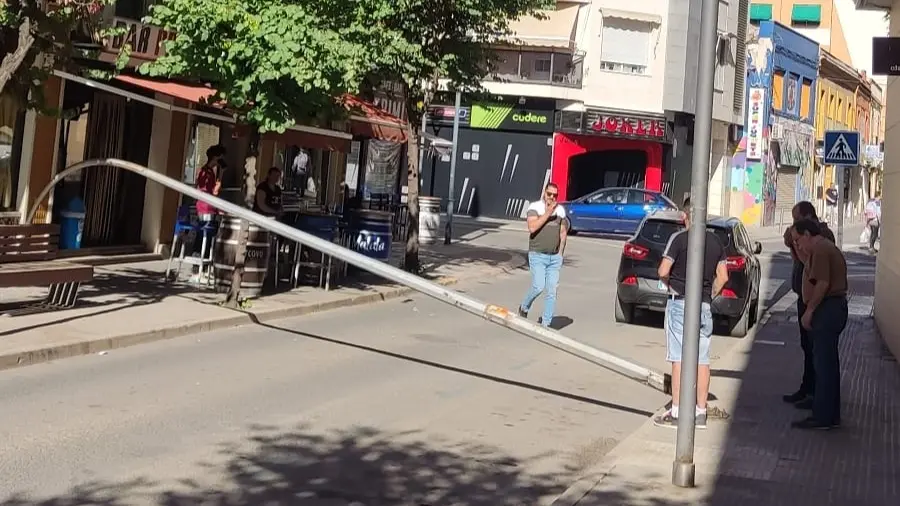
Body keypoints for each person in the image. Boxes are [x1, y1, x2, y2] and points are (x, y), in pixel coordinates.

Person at [653, 202, 729, 429]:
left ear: (686, 217)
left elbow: (663, 271)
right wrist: (709, 295)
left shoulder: (679, 239)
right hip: (704, 305)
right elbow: (723, 277)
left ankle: (676, 411)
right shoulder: (716, 242)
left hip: (680, 303)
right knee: (702, 359)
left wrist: (672, 287)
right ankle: (701, 412)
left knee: (679, 358)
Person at [790, 219, 848, 430]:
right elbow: (810, 273)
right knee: (827, 364)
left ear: (807, 234)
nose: (797, 245)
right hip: (831, 308)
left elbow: (822, 283)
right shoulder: (820, 250)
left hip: (827, 309)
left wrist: (810, 311)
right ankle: (829, 414)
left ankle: (823, 416)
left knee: (824, 365)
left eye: (798, 240)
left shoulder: (822, 250)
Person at [781, 202, 835, 408]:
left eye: (796, 219)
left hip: (816, 301)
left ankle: (816, 395)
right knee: (807, 347)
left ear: (806, 218)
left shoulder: (821, 237)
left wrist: (795, 244)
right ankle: (807, 388)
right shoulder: (803, 238)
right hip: (804, 298)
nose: (793, 223)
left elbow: (811, 267)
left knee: (816, 350)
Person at [518, 183, 568, 328]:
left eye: (555, 195)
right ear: (544, 193)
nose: (552, 198)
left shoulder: (560, 211)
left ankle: (546, 324)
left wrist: (560, 255)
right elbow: (532, 228)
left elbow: (563, 233)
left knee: (552, 290)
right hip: (537, 255)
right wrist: (547, 212)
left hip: (554, 258)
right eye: (549, 194)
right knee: (538, 286)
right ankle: (524, 307)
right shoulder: (535, 208)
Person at [195, 145, 225, 222]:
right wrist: (221, 174)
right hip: (208, 208)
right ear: (215, 157)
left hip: (202, 207)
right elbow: (214, 191)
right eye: (220, 158)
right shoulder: (208, 173)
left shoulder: (204, 170)